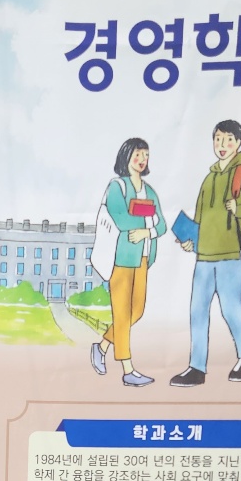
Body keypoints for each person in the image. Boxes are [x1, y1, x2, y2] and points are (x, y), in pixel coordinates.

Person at [171, 119, 241, 386]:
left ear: (238, 142)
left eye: (229, 139)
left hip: (232, 254)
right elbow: (201, 218)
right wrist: (191, 242)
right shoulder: (208, 179)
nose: (222, 144)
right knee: (197, 311)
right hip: (204, 256)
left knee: (231, 309)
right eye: (218, 139)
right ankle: (196, 368)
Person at [90, 138, 166, 387]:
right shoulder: (117, 187)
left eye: (146, 155)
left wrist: (146, 231)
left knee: (137, 310)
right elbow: (121, 219)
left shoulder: (150, 190)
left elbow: (162, 224)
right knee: (122, 314)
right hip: (121, 258)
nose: (142, 160)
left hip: (142, 257)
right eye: (137, 154)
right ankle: (128, 369)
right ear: (126, 156)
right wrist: (148, 222)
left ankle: (101, 346)